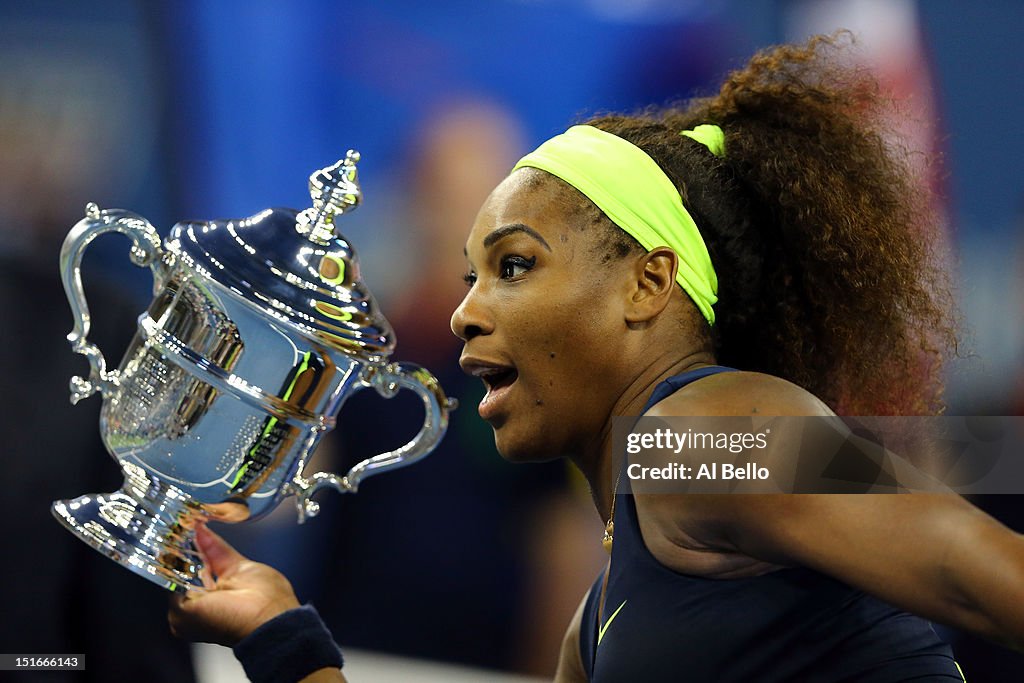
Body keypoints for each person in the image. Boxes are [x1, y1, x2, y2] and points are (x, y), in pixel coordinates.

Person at [168, 34, 1024, 682]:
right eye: (471, 277)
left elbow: (983, 574)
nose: (467, 311)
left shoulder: (706, 432)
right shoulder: (596, 624)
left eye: (514, 266)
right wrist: (285, 637)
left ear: (648, 283)